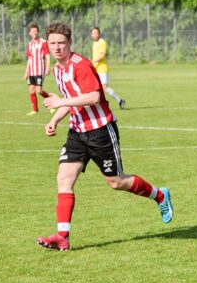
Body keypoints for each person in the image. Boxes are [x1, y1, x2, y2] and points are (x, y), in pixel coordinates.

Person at [36, 22, 173, 251]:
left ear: (70, 43)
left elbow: (93, 97)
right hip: (77, 132)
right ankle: (62, 236)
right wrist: (54, 120)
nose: (57, 47)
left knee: (116, 182)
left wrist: (60, 102)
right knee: (64, 179)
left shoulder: (81, 65)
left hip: (100, 131)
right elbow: (72, 99)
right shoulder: (59, 69)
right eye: (53, 43)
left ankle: (160, 196)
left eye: (61, 43)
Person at [91, 27, 126, 110]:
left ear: (99, 34)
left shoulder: (102, 42)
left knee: (104, 88)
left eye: (97, 33)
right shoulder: (94, 43)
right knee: (95, 87)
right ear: (91, 34)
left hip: (102, 69)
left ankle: (119, 100)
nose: (95, 35)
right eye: (93, 33)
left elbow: (102, 56)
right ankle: (99, 106)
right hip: (96, 69)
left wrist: (91, 62)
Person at [23, 24, 52, 116]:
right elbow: (29, 59)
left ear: (38, 32)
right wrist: (26, 72)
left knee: (39, 90)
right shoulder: (30, 44)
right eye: (32, 31)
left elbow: (47, 55)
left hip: (39, 70)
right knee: (31, 90)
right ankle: (35, 110)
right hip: (31, 71)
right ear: (30, 33)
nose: (34, 33)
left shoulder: (43, 42)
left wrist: (48, 67)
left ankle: (51, 103)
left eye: (36, 31)